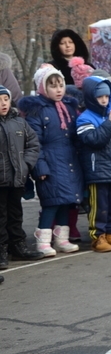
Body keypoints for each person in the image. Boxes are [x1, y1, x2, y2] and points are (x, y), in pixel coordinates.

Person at [18, 65, 83, 257]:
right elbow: (34, 142)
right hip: (50, 163)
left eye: (61, 84)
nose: (58, 89)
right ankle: (43, 239)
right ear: (42, 87)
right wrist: (40, 167)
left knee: (66, 201)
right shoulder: (37, 111)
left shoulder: (69, 107)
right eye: (53, 86)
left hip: (69, 160)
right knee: (51, 202)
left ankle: (61, 238)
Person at [76, 76, 111, 252]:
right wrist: (110, 123)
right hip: (97, 171)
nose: (104, 100)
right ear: (91, 97)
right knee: (99, 206)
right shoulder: (84, 118)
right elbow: (94, 140)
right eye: (100, 96)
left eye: (107, 97)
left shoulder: (110, 113)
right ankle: (97, 236)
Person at [0, 84, 42, 267]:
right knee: (1, 217)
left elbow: (32, 144)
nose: (3, 104)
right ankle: (1, 249)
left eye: (5, 99)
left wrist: (25, 165)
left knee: (16, 214)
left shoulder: (19, 122)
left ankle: (17, 245)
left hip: (16, 178)